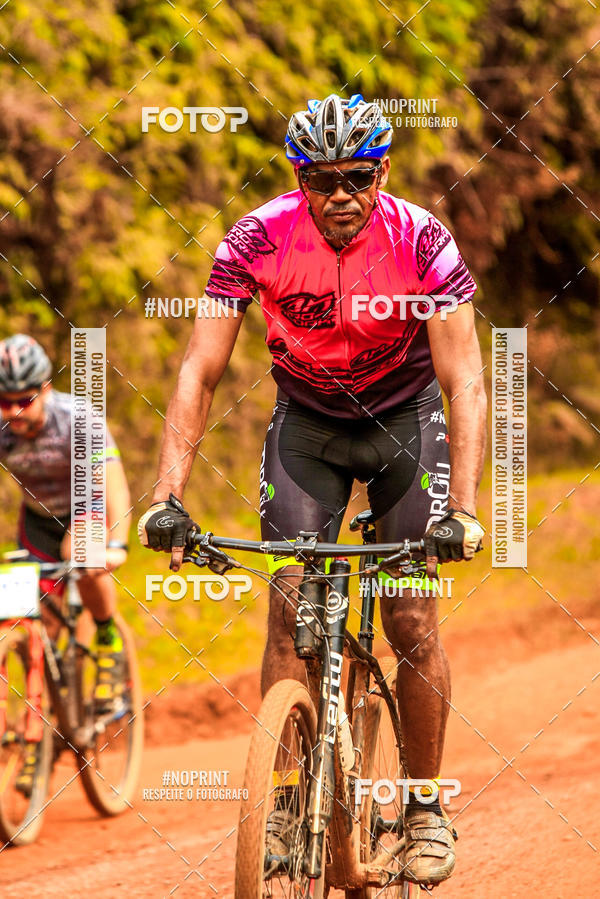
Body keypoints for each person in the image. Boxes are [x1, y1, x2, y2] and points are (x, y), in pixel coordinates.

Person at [138, 94, 486, 885]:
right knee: (290, 601)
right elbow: (199, 368)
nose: (339, 196)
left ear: (383, 172)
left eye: (357, 178)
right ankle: (290, 797)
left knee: (409, 611)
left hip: (406, 420)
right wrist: (168, 492)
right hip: (309, 424)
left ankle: (426, 803)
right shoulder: (255, 237)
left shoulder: (423, 241)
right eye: (321, 179)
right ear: (298, 179)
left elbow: (466, 379)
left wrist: (462, 508)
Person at [0, 334, 131, 790]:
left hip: (84, 509)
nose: (13, 411)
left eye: (23, 399)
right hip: (36, 521)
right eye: (3, 401)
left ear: (46, 389)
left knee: (82, 555)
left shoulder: (77, 419)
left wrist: (118, 543)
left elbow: (113, 482)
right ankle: (42, 733)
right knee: (34, 627)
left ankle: (109, 638)